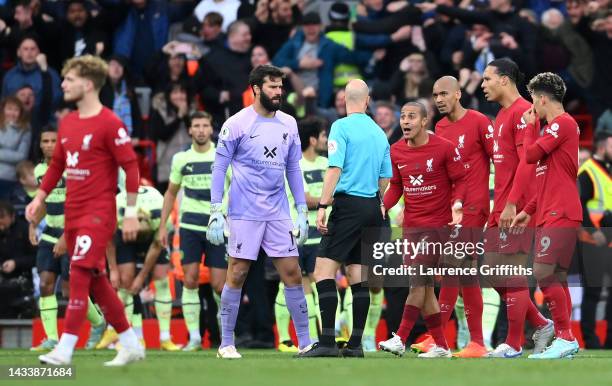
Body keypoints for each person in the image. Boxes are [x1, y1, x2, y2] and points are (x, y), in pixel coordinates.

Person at [26, 55, 144, 366]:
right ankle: (131, 343)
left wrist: (130, 211)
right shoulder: (68, 123)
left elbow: (131, 167)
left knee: (77, 273)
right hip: (72, 214)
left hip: (99, 212)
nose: (63, 84)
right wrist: (39, 198)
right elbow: (57, 166)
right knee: (96, 282)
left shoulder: (109, 123)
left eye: (69, 79)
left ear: (88, 84)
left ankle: (64, 349)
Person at [208, 64, 312, 359]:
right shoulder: (236, 123)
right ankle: (226, 343)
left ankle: (304, 342)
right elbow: (219, 168)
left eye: (281, 87)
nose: (279, 92)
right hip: (244, 211)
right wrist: (216, 210)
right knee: (237, 273)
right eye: (272, 87)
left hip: (278, 211)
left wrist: (301, 209)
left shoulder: (289, 124)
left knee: (292, 273)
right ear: (256, 89)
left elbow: (293, 167)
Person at [298, 79, 392, 358]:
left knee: (322, 273)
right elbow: (385, 177)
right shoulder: (379, 133)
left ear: (345, 100)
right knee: (357, 276)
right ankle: (355, 345)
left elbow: (334, 168)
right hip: (373, 207)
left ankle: (327, 343)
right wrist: (378, 204)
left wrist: (324, 204)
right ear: (367, 101)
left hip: (348, 205)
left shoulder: (340, 127)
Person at [377, 101, 466, 359]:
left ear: (424, 121)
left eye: (412, 116)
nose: (405, 121)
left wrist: (457, 204)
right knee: (426, 288)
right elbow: (396, 185)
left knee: (417, 282)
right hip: (412, 227)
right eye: (403, 116)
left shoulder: (444, 148)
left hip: (437, 226)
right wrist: (384, 206)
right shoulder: (396, 151)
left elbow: (460, 179)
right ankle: (441, 346)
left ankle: (400, 338)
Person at [412, 76, 492, 358]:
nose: (439, 99)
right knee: (463, 271)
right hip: (452, 207)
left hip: (475, 204)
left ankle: (439, 339)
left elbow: (500, 160)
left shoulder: (480, 121)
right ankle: (477, 343)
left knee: (452, 265)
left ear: (458, 93)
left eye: (444, 93)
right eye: (435, 95)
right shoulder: (440, 127)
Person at [480, 58, 552, 357]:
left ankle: (513, 342)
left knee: (509, 272)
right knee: (489, 271)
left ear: (505, 80)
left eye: (487, 79)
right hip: (502, 205)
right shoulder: (501, 115)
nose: (482, 85)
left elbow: (528, 162)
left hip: (517, 205)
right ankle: (541, 323)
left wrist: (513, 204)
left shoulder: (523, 113)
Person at [511, 72, 582, 358]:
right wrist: (527, 211)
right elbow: (546, 179)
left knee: (543, 272)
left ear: (541, 99)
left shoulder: (561, 124)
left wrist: (530, 127)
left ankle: (564, 336)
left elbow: (528, 156)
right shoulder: (555, 131)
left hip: (560, 211)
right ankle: (568, 339)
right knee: (557, 276)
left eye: (533, 103)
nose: (532, 110)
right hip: (550, 210)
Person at [29, 126, 106, 351]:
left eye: (54, 140)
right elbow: (44, 202)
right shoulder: (39, 170)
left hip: (73, 233)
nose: (49, 144)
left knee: (70, 289)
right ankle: (52, 338)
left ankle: (99, 322)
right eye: (45, 141)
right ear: (40, 144)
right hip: (50, 233)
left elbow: (82, 203)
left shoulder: (73, 167)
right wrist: (33, 223)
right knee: (44, 284)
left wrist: (67, 234)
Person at [159, 111, 228, 352]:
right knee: (189, 281)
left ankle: (225, 334)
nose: (200, 129)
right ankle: (195, 339)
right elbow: (170, 192)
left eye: (205, 125)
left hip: (217, 227)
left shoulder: (222, 155)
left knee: (220, 285)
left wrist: (225, 215)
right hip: (189, 226)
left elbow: (233, 187)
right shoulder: (181, 159)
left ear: (211, 129)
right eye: (196, 125)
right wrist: (162, 227)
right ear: (189, 130)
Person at [99, 184, 178, 350]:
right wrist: (113, 270)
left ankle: (165, 338)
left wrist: (142, 276)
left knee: (162, 280)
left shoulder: (162, 217)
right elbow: (109, 240)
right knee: (124, 281)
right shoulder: (115, 211)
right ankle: (124, 337)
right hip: (124, 235)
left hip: (154, 235)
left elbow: (156, 246)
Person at [275, 117, 327, 352]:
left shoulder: (328, 163)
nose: (327, 140)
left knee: (316, 285)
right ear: (313, 139)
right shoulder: (296, 164)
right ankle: (287, 338)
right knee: (294, 283)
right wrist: (330, 200)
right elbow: (305, 199)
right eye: (323, 135)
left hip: (322, 234)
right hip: (297, 233)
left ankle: (315, 338)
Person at [578, 132, 612, 348]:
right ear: (602, 147)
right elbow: (580, 204)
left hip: (608, 240)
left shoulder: (607, 171)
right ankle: (590, 340)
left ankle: (609, 341)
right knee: (593, 291)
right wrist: (593, 231)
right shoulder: (587, 171)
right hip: (593, 241)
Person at [0, 201, 36, 318]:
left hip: (21, 280)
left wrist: (16, 263)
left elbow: (35, 257)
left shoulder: (25, 230)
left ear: (12, 216)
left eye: (2, 218)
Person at [0, 96, 31, 200]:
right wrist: (10, 152)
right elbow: (15, 154)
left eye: (16, 110)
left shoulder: (25, 128)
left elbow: (21, 155)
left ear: (20, 112)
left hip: (9, 177)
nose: (12, 113)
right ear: (3, 109)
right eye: (9, 109)